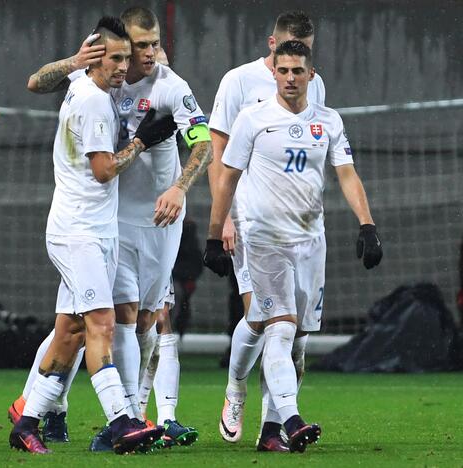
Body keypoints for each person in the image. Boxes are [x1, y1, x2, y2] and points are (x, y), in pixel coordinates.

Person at [9, 6, 212, 451]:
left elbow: (204, 143)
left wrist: (180, 187)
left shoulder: (171, 88)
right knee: (110, 319)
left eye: (155, 43)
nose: (149, 55)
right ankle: (126, 419)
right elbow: (36, 84)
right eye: (138, 48)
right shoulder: (95, 84)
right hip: (103, 221)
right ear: (108, 52)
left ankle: (30, 413)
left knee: (106, 324)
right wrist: (74, 59)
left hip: (156, 222)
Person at [204, 40, 383, 453]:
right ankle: (286, 415)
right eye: (282, 71)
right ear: (274, 74)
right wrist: (217, 233)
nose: (289, 78)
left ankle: (270, 430)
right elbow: (227, 177)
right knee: (280, 328)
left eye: (297, 71)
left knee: (296, 340)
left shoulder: (329, 121)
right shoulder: (252, 119)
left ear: (310, 75)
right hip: (263, 238)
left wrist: (367, 225)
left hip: (310, 241)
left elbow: (347, 174)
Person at [207, 10, 326, 451]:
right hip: (253, 224)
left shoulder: (314, 84)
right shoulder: (237, 81)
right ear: (270, 44)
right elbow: (219, 152)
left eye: (307, 55)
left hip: (302, 233)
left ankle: (269, 429)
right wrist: (227, 219)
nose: (297, 68)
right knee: (272, 321)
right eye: (290, 51)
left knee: (288, 333)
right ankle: (246, 399)